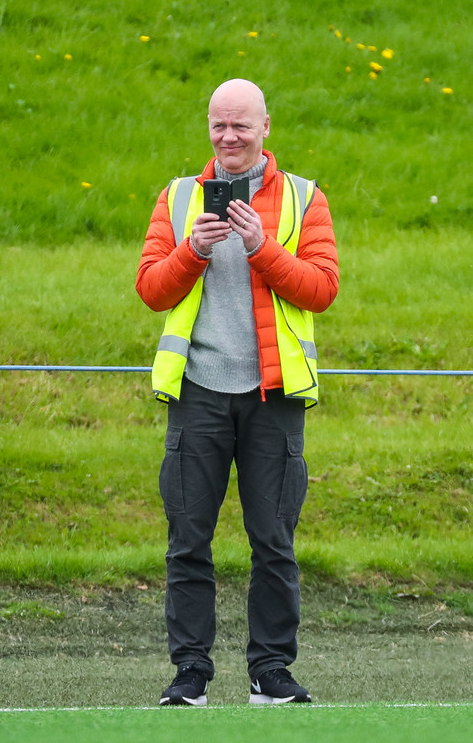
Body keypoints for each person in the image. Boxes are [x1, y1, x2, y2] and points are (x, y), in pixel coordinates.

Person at [136, 79, 339, 706]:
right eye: (219, 125)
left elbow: (322, 289)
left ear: (265, 127)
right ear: (208, 126)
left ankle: (269, 672)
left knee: (274, 541)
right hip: (197, 391)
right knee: (187, 541)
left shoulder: (305, 198)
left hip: (274, 395)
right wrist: (192, 251)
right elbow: (151, 290)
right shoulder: (178, 198)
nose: (229, 137)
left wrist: (260, 247)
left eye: (241, 126)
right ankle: (190, 673)